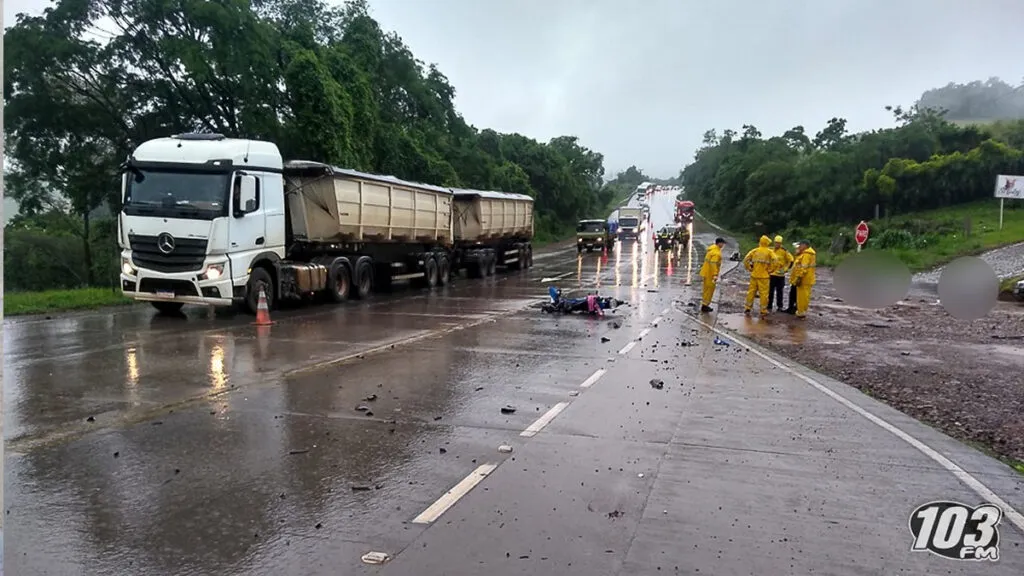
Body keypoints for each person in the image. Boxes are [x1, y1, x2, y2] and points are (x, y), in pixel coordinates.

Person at [743, 235, 778, 317]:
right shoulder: (769, 252)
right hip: (764, 277)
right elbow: (776, 261)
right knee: (764, 294)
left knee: (751, 292)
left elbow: (746, 259)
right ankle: (763, 310)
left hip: (754, 275)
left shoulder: (755, 251)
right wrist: (771, 270)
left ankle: (748, 307)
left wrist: (749, 268)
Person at [789, 239, 817, 318]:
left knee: (801, 297)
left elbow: (803, 268)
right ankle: (803, 311)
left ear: (805, 245)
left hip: (804, 280)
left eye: (800, 245)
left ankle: (801, 312)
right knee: (805, 296)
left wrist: (799, 278)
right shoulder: (810, 254)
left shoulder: (807, 254)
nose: (799, 247)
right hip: (808, 279)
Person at [768, 235, 794, 312]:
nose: (777, 244)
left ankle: (780, 306)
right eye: (776, 243)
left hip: (780, 275)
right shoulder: (771, 250)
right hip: (772, 274)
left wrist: (785, 269)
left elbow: (791, 260)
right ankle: (769, 305)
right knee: (770, 291)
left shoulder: (784, 251)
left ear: (781, 243)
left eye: (778, 243)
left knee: (780, 291)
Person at [699, 237, 726, 312]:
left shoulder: (711, 250)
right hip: (710, 274)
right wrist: (715, 274)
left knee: (706, 289)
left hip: (705, 272)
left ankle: (704, 304)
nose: (723, 245)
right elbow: (713, 264)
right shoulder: (716, 253)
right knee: (709, 290)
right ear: (719, 243)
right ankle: (705, 305)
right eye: (722, 243)